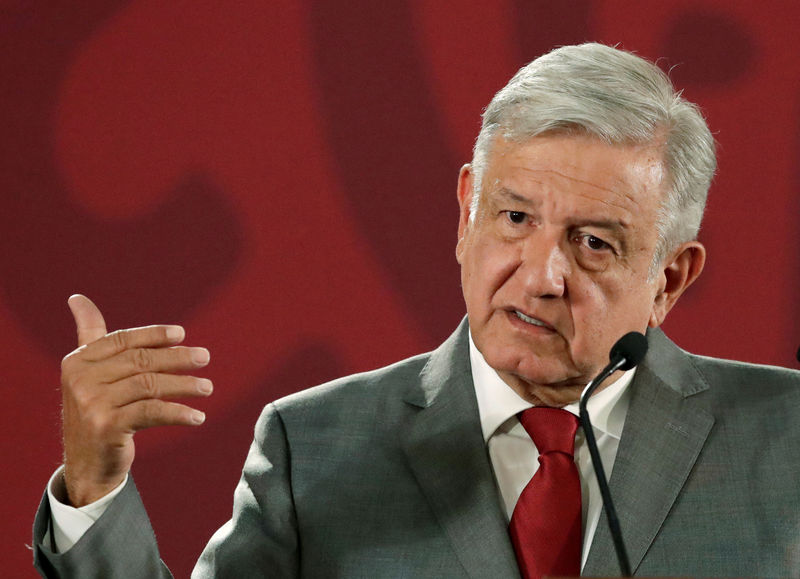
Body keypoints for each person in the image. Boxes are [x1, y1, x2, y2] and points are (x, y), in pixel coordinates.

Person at [33, 43, 800, 578]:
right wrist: (96, 488)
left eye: (594, 242)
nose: (541, 276)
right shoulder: (315, 445)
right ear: (467, 208)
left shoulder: (785, 437)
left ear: (669, 278)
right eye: (513, 218)